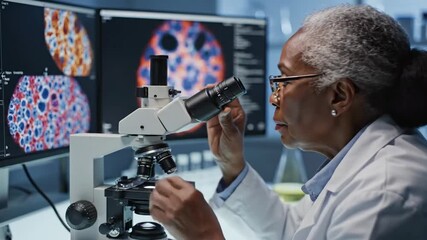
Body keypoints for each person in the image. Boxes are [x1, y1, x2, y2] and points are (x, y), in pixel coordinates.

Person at [149, 4, 427, 240]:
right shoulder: (359, 166)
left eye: (283, 81)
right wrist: (231, 165)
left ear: (339, 96)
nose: (274, 98)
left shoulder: (386, 195)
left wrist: (205, 235)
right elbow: (291, 230)